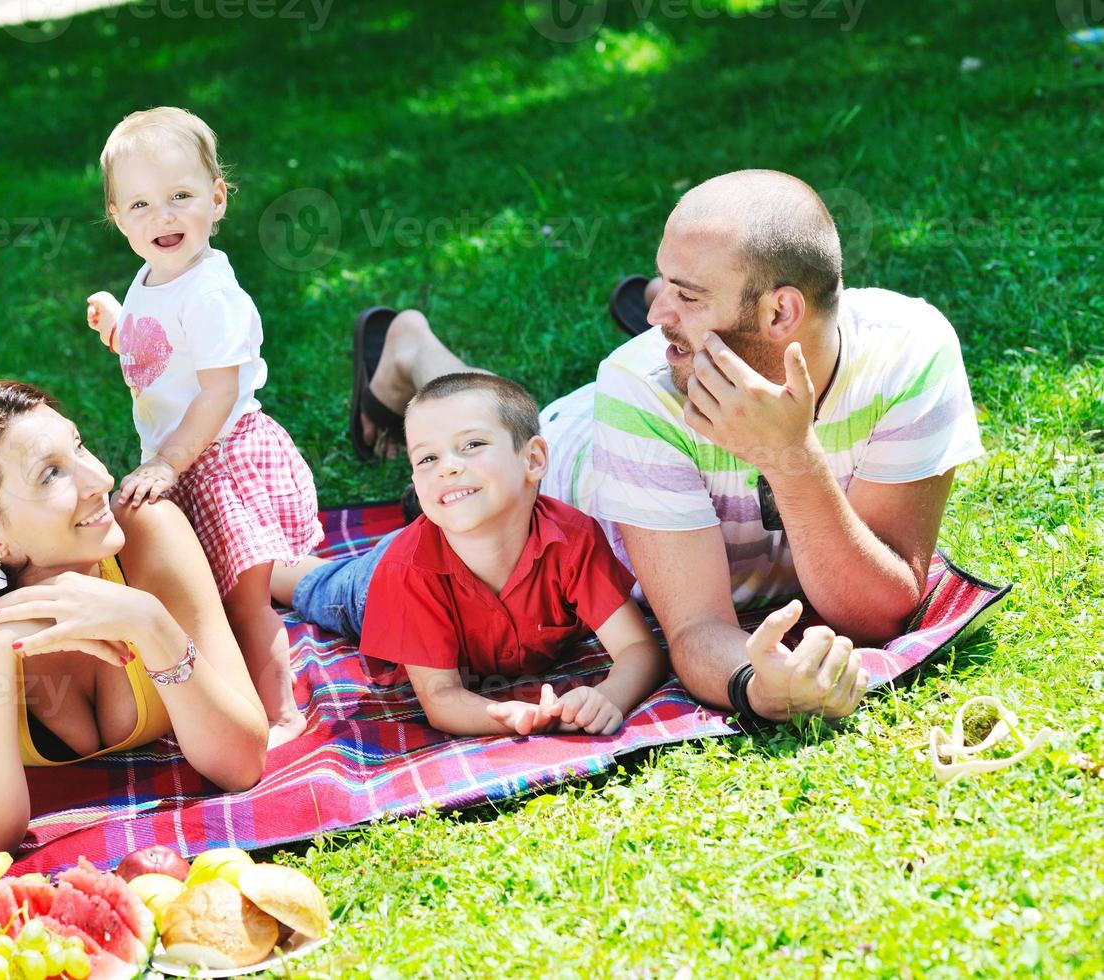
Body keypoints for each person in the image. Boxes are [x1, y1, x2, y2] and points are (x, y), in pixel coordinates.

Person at [347, 170, 983, 724]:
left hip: (715, 395)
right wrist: (762, 687)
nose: (660, 318)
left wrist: (789, 458)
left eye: (686, 294)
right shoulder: (637, 387)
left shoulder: (911, 356)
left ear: (781, 314)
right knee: (488, 433)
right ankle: (413, 348)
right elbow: (696, 631)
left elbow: (879, 611)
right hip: (562, 464)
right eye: (663, 291)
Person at [0, 380, 269, 856]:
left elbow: (242, 762)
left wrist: (149, 621)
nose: (101, 479)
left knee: (279, 581)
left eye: (79, 446)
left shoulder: (148, 530)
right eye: (51, 474)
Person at [84, 106, 321, 746]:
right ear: (116, 215)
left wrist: (168, 463)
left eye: (181, 197)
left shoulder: (212, 294)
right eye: (140, 206)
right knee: (207, 597)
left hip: (221, 459)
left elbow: (216, 392)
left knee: (245, 602)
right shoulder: (154, 278)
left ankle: (280, 713)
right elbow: (160, 354)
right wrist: (118, 325)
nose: (162, 217)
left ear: (216, 200)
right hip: (185, 459)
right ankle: (225, 694)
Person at [273, 373, 668, 736]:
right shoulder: (405, 574)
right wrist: (510, 717)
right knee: (312, 585)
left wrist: (609, 696)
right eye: (428, 458)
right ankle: (245, 559)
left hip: (434, 544)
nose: (447, 467)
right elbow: (442, 698)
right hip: (374, 582)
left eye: (472, 445)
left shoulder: (573, 540)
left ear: (532, 460)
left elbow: (638, 649)